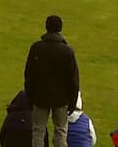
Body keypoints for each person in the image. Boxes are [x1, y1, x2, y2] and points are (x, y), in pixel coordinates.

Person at [24, 15, 79, 147]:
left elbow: (29, 75)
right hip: (61, 99)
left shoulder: (37, 48)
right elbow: (73, 80)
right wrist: (72, 101)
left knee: (38, 131)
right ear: (60, 28)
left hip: (40, 97)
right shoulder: (67, 51)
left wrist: (30, 97)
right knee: (60, 131)